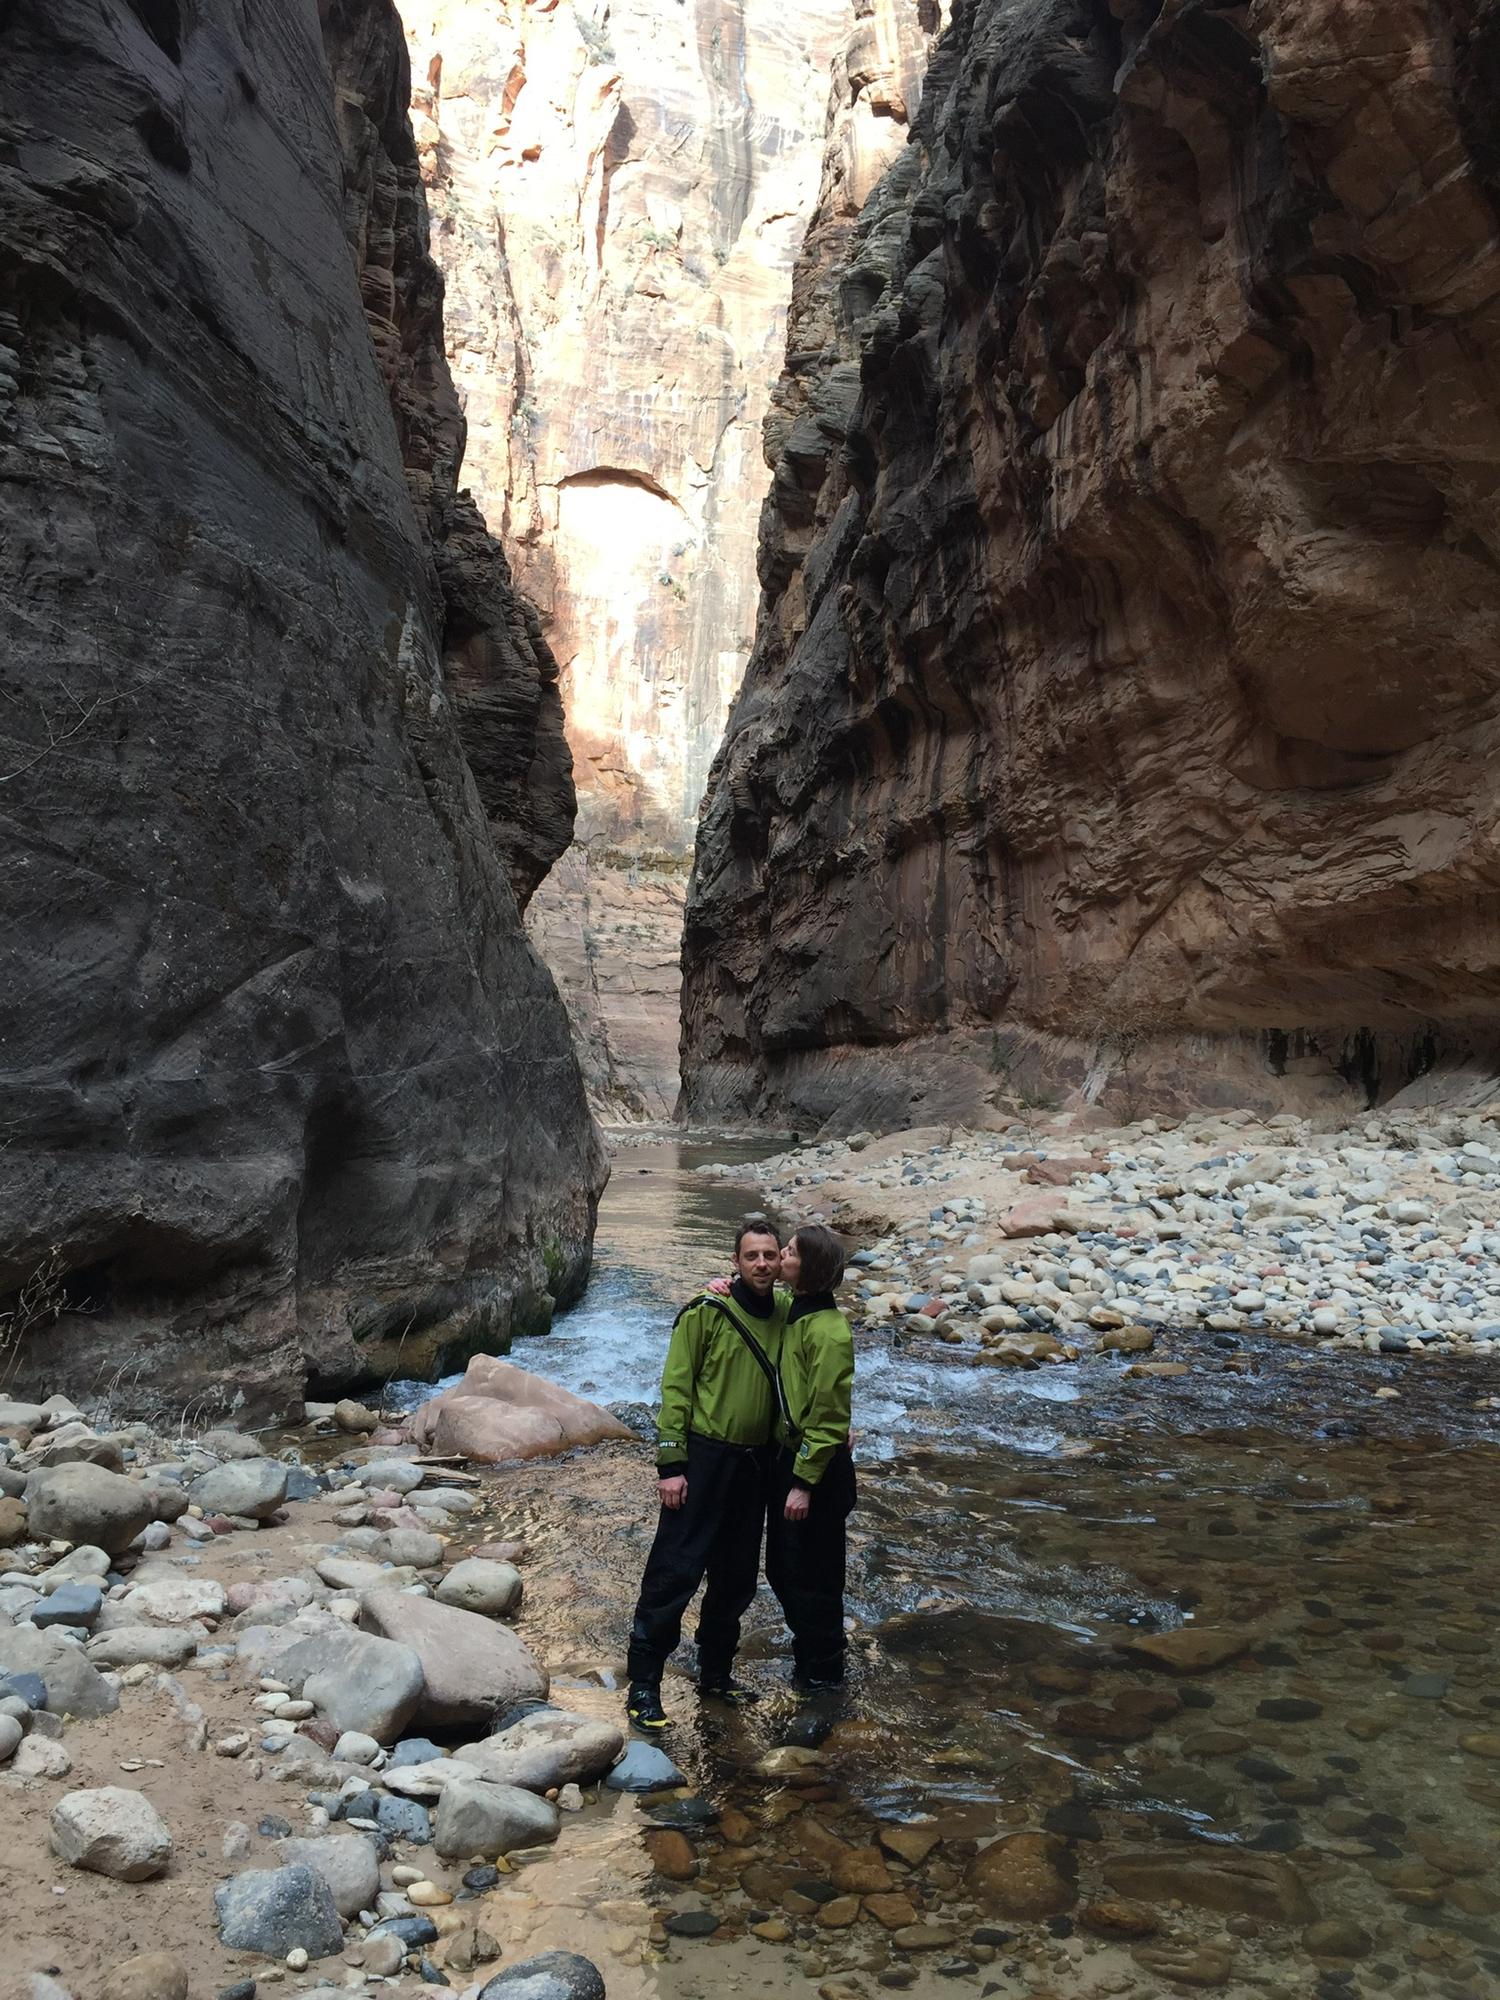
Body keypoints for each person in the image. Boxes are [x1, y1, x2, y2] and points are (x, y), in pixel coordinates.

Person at [624, 1220, 789, 1731]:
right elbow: (676, 1388)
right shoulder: (705, 1311)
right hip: (703, 1458)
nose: (761, 1264)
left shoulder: (788, 1311)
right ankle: (644, 1687)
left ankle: (715, 1674)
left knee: (737, 1577)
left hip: (756, 1464)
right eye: (751, 1256)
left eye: (769, 1255)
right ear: (735, 1263)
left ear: (781, 1262)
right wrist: (671, 1465)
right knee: (675, 1571)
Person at [765, 1223, 857, 1689]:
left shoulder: (829, 1331)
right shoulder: (799, 1311)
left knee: (813, 1578)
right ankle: (813, 1659)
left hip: (816, 1470)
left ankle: (824, 1677)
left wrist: (803, 1483)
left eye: (789, 1250)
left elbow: (828, 1414)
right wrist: (726, 1286)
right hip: (796, 1458)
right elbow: (768, 1300)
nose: (780, 1254)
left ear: (809, 1266)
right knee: (783, 1571)